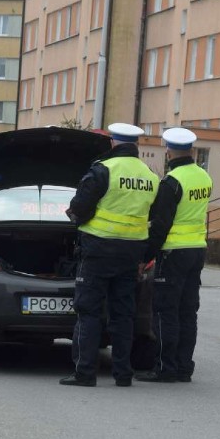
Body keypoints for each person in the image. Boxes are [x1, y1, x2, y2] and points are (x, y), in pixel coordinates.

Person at [59, 123, 159, 388]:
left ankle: (85, 373)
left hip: (98, 251)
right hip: (131, 252)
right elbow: (154, 213)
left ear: (113, 143)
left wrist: (74, 217)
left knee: (89, 311)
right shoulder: (150, 175)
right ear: (135, 145)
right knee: (123, 314)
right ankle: (123, 374)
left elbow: (80, 207)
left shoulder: (103, 169)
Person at [137, 128, 212, 383]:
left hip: (173, 252)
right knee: (187, 311)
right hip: (197, 250)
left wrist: (146, 255)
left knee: (165, 311)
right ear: (191, 150)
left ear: (168, 151)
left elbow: (160, 225)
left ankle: (165, 368)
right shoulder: (203, 176)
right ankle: (183, 367)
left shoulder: (172, 182)